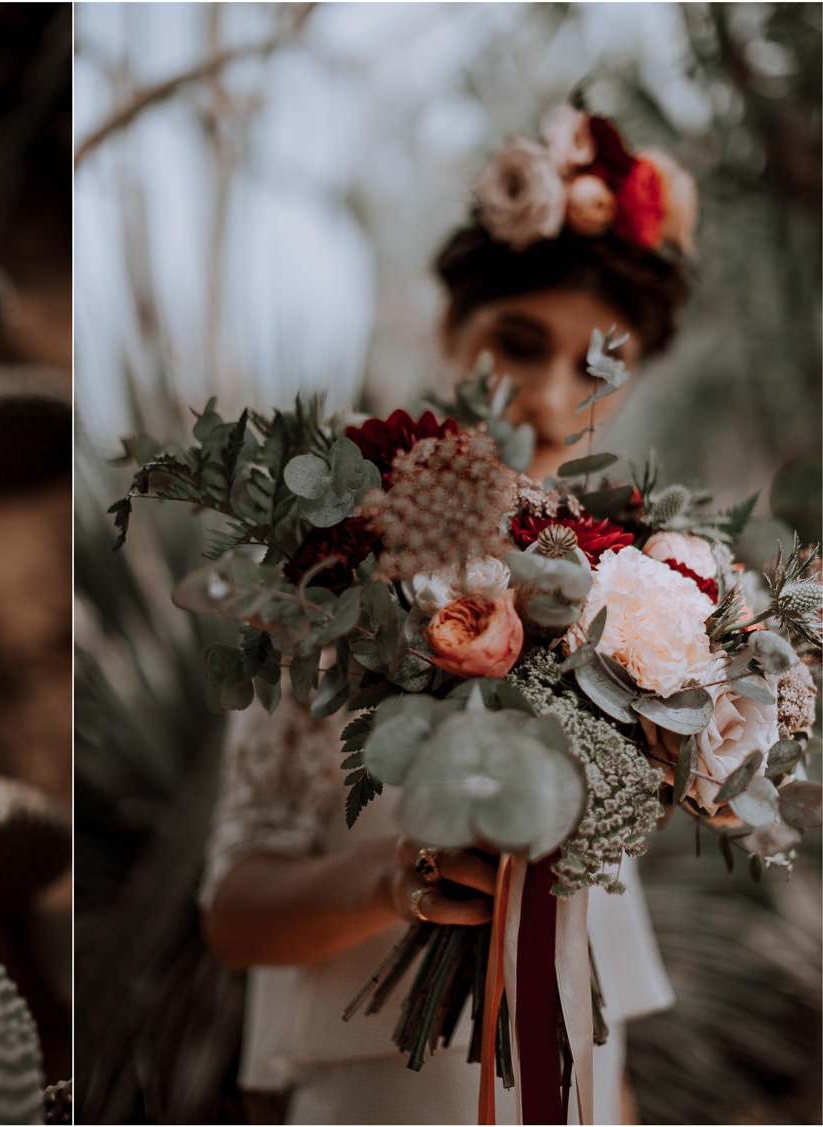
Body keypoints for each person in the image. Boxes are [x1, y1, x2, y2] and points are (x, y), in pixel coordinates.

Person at [200, 104, 694, 1125]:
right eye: (518, 343)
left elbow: (604, 947)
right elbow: (235, 912)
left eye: (599, 364)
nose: (554, 403)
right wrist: (393, 877)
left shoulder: (628, 593)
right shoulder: (322, 560)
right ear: (447, 327)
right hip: (386, 1088)